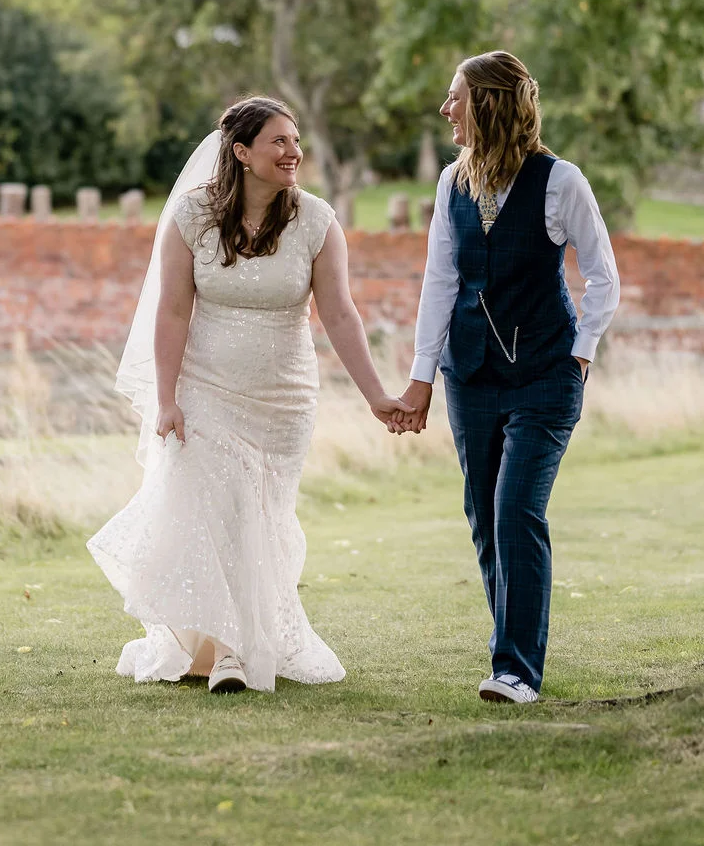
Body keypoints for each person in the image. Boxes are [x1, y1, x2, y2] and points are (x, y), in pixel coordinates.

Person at [89, 97, 408, 693]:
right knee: (217, 511)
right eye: (279, 142)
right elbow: (173, 309)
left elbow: (339, 314)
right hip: (204, 387)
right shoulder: (193, 217)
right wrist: (165, 398)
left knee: (261, 520)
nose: (293, 153)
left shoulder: (317, 222)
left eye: (295, 141)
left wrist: (375, 395)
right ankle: (231, 653)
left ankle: (239, 642)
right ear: (242, 152)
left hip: (282, 399)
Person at [393, 51, 620, 704]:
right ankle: (512, 648)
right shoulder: (450, 183)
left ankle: (516, 669)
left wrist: (582, 350)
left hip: (546, 375)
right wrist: (421, 378)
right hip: (469, 375)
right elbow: (440, 281)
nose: (445, 109)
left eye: (455, 96)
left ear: (488, 102)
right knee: (484, 515)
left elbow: (603, 273)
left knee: (516, 508)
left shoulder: (559, 181)